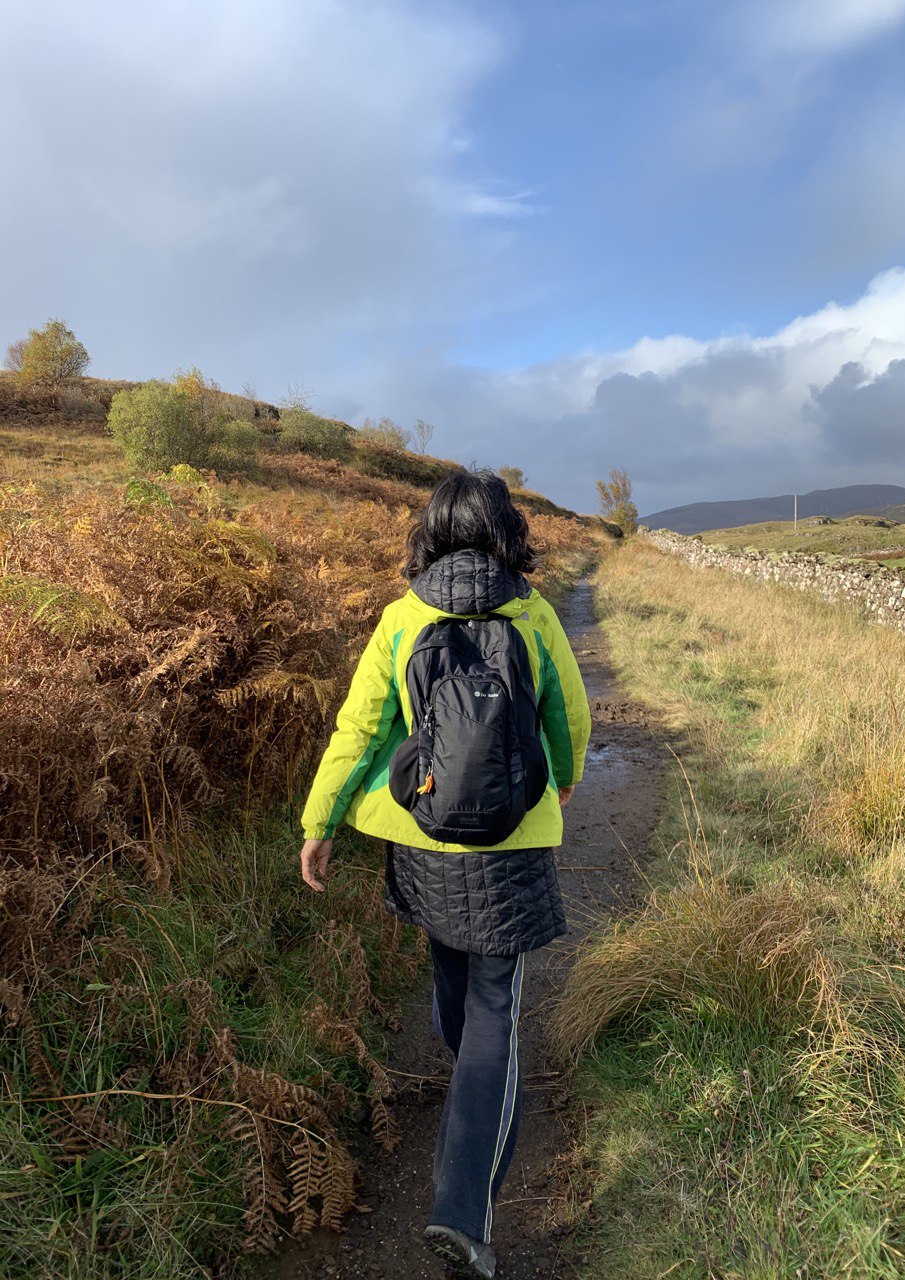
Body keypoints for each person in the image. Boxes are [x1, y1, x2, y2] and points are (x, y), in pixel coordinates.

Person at [299, 468, 591, 1278]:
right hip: (510, 845)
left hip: (422, 838)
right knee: (497, 1007)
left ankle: (470, 1091)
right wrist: (562, 782)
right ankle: (464, 1209)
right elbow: (569, 715)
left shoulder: (403, 616)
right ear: (506, 533)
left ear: (430, 532)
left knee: (451, 969)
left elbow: (359, 728)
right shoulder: (532, 613)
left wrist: (320, 823)